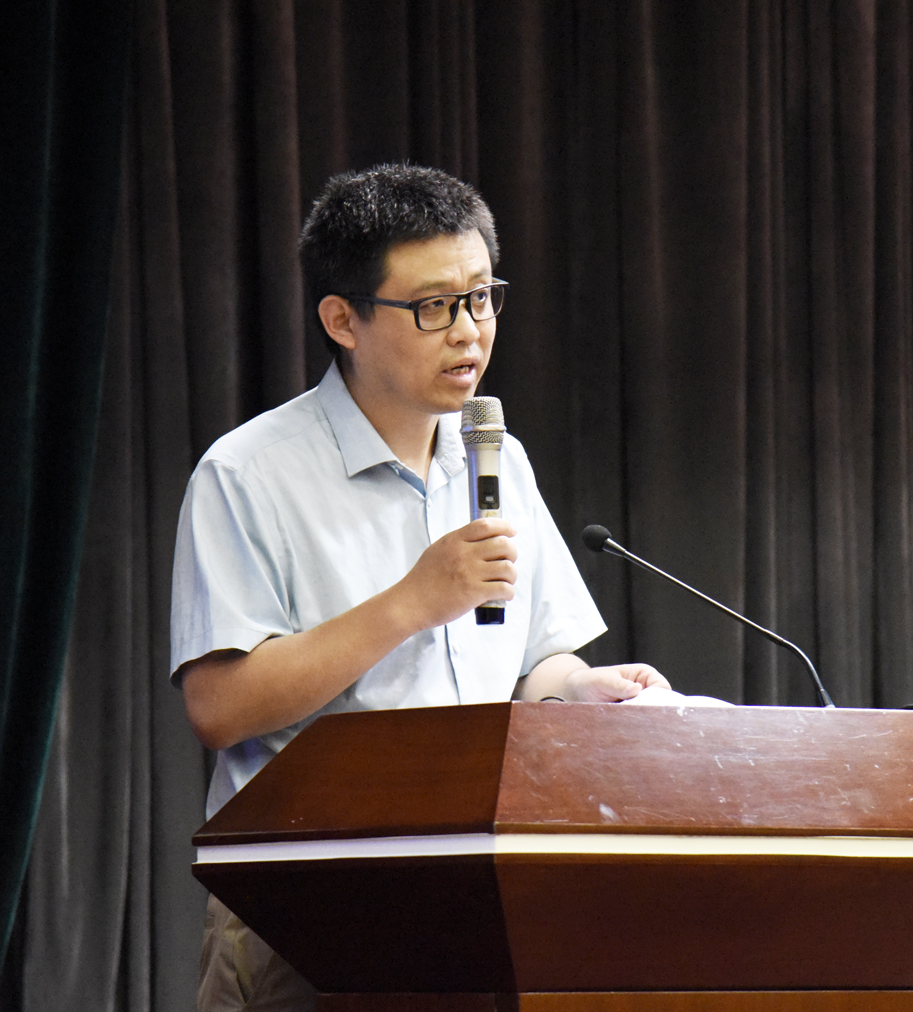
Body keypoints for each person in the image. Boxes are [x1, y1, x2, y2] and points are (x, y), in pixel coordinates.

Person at [170, 163, 670, 1012]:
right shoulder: (250, 473)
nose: (469, 331)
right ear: (343, 319)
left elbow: (532, 664)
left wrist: (583, 690)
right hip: (306, 902)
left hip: (475, 893)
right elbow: (220, 707)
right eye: (434, 306)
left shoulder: (498, 458)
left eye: (482, 298)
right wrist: (410, 603)